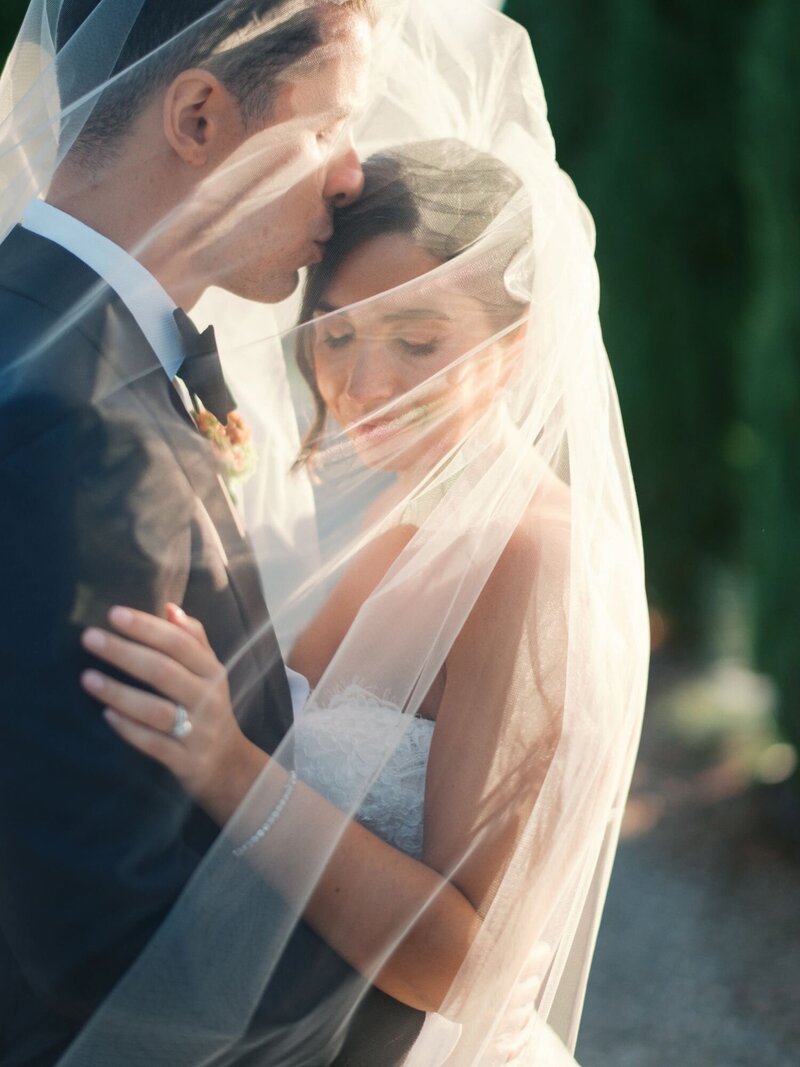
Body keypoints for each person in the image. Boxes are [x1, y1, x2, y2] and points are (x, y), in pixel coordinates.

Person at [76, 137, 644, 1067]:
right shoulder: (395, 517)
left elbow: (463, 965)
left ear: (517, 345)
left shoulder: (535, 557)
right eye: (336, 333)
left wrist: (226, 762)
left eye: (418, 340)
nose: (362, 385)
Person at [0, 2, 433, 1065]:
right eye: (329, 124)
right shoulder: (76, 421)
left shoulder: (57, 340)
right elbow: (104, 928)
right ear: (197, 115)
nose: (349, 173)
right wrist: (418, 1006)